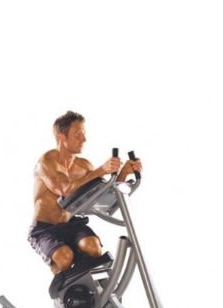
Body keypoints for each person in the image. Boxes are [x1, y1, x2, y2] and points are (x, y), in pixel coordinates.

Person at [28, 110, 142, 275]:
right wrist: (101, 170)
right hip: (45, 228)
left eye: (84, 134)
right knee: (64, 258)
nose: (84, 139)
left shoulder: (84, 166)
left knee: (93, 248)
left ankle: (85, 286)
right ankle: (63, 286)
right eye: (78, 135)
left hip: (72, 224)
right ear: (61, 137)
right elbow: (64, 189)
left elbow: (102, 195)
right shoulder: (47, 161)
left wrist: (124, 172)